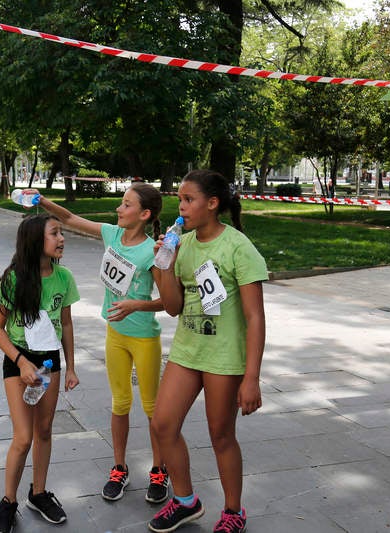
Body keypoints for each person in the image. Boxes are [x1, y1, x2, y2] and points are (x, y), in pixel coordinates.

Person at [29, 183, 170, 504]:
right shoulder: (112, 234)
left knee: (152, 409)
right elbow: (70, 217)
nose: (119, 209)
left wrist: (136, 305)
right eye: (121, 203)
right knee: (120, 404)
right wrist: (41, 200)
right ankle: (119, 467)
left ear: (144, 214)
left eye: (126, 204)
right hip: (115, 335)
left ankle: (159, 470)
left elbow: (168, 302)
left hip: (145, 338)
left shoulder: (152, 251)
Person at [148, 170, 268, 533]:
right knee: (163, 424)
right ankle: (185, 501)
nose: (181, 207)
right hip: (187, 351)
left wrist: (252, 378)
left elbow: (255, 316)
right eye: (180, 200)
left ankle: (234, 511)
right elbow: (173, 307)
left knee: (221, 435)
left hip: (224, 358)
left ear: (212, 204)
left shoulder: (237, 247)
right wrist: (163, 266)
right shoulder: (182, 244)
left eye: (188, 200)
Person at [0, 213, 80, 533]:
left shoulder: (64, 277)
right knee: (23, 436)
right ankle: (8, 501)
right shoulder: (13, 280)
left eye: (62, 233)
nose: (61, 238)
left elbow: (66, 323)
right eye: (54, 233)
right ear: (34, 241)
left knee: (44, 430)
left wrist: (70, 366)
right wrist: (21, 362)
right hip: (19, 360)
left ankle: (38, 493)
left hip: (48, 362)